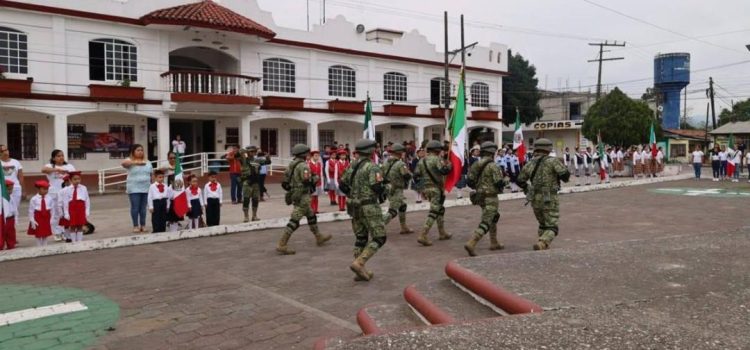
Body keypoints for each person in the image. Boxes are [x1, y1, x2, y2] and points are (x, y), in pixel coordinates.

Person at [342, 139, 387, 282]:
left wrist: (354, 195)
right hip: (369, 206)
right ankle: (359, 263)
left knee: (361, 238)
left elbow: (342, 185)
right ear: (370, 151)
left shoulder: (352, 165)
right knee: (380, 237)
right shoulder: (372, 167)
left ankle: (359, 272)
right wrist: (386, 188)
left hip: (354, 206)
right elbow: (377, 188)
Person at [275, 144, 332, 255]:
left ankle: (318, 236)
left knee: (311, 216)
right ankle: (282, 244)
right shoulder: (303, 166)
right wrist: (315, 177)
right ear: (303, 154)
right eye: (307, 153)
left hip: (295, 194)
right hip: (303, 196)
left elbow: (285, 182)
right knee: (295, 220)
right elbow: (307, 180)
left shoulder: (291, 164)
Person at [515, 139, 570, 250]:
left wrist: (527, 189)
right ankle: (542, 242)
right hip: (549, 197)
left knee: (542, 224)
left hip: (535, 197)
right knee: (552, 226)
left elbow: (520, 180)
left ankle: (544, 246)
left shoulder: (530, 163)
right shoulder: (553, 161)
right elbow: (565, 177)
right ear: (548, 149)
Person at [464, 141, 505, 256]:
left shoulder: (476, 164)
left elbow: (470, 181)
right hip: (490, 196)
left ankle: (494, 242)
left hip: (480, 196)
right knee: (487, 220)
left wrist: (479, 186)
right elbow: (498, 183)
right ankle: (472, 242)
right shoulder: (493, 165)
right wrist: (505, 180)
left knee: (493, 217)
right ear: (492, 152)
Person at [414, 140, 452, 246]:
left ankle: (442, 232)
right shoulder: (437, 159)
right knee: (434, 212)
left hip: (426, 189)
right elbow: (444, 171)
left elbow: (416, 176)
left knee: (440, 209)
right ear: (437, 150)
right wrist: (449, 165)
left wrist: (422, 189)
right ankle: (423, 234)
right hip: (436, 189)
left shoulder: (421, 161)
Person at [41, 149, 76, 241]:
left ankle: (65, 232)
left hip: (67, 193)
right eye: (58, 156)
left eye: (62, 155)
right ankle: (57, 233)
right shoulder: (50, 166)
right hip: (54, 193)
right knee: (56, 214)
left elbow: (75, 176)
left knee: (66, 213)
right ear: (53, 158)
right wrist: (57, 169)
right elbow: (43, 170)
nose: (61, 157)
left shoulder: (69, 166)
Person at [382, 144, 414, 235]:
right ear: (400, 153)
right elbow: (406, 175)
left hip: (388, 188)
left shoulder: (386, 162)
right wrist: (411, 174)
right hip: (397, 189)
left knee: (402, 206)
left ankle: (404, 227)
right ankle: (378, 226)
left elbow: (382, 175)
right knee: (393, 210)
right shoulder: (400, 164)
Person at [122, 144, 153, 233]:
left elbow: (151, 174)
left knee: (143, 208)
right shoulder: (129, 160)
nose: (140, 152)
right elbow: (123, 164)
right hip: (134, 188)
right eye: (138, 150)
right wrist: (135, 162)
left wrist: (152, 185)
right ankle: (135, 225)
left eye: (141, 150)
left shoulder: (147, 162)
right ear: (133, 152)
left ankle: (143, 225)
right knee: (135, 207)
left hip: (146, 187)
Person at [239, 146, 270, 222]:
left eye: (254, 151)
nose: (253, 153)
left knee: (255, 199)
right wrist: (246, 151)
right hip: (247, 181)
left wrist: (268, 157)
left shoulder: (257, 160)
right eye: (251, 151)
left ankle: (254, 215)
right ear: (248, 152)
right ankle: (246, 216)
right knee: (246, 199)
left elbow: (267, 162)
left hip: (256, 182)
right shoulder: (244, 159)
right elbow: (240, 151)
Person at [60, 171, 90, 243]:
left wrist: (87, 210)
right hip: (72, 209)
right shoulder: (67, 190)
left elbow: (87, 199)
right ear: (70, 180)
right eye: (75, 179)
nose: (77, 181)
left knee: (80, 225)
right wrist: (66, 213)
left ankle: (79, 241)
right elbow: (65, 202)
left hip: (80, 208)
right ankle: (73, 241)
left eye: (78, 179)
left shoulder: (83, 188)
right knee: (72, 226)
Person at [0, 144, 23, 220]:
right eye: (2, 151)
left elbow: (20, 176)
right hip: (3, 189)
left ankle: (14, 224)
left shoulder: (16, 162)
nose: (5, 152)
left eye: (6, 150)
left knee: (15, 208)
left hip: (15, 189)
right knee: (4, 208)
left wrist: (22, 189)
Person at [27, 180, 53, 247]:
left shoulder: (49, 198)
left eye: (47, 189)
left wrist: (52, 218)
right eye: (44, 189)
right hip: (38, 217)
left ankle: (45, 245)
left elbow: (52, 209)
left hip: (46, 216)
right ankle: (39, 246)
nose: (46, 191)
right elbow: (31, 210)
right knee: (38, 233)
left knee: (45, 233)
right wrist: (32, 220)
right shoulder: (34, 199)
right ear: (38, 189)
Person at [1, 179, 18, 250]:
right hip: (3, 219)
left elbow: (15, 208)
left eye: (11, 189)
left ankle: (11, 245)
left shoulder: (12, 197)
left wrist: (16, 218)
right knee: (2, 233)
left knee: (11, 233)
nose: (10, 191)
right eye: (8, 189)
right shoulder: (1, 199)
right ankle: (1, 245)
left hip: (11, 218)